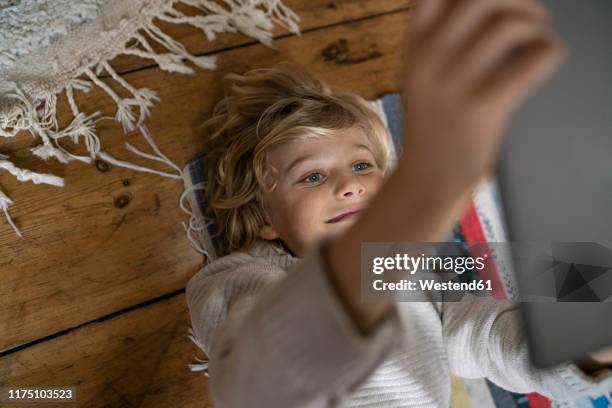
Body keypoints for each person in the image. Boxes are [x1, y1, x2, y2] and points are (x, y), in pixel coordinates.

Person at [185, 0, 612, 406]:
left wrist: (588, 341)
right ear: (263, 217)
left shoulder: (416, 268)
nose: (350, 186)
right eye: (313, 176)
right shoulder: (237, 281)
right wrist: (423, 191)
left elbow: (490, 333)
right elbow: (256, 384)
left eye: (363, 166)